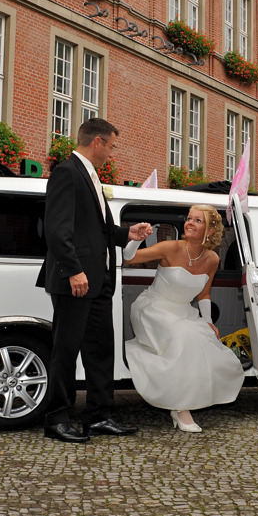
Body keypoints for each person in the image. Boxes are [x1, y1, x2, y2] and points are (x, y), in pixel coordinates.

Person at [37, 118, 153, 443]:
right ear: (98, 142)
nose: (112, 154)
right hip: (76, 281)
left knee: (100, 351)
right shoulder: (67, 173)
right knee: (66, 350)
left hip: (99, 282)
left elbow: (95, 231)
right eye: (112, 146)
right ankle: (56, 420)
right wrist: (74, 270)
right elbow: (57, 230)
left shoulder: (92, 177)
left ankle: (99, 416)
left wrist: (127, 233)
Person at [122, 205, 245, 432]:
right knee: (184, 337)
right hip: (152, 308)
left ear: (209, 231)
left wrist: (208, 321)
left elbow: (204, 293)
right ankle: (181, 408)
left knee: (206, 342)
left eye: (197, 220)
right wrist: (137, 238)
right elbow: (129, 258)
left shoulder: (212, 259)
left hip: (183, 311)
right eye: (189, 218)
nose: (189, 223)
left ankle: (186, 397)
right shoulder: (170, 247)